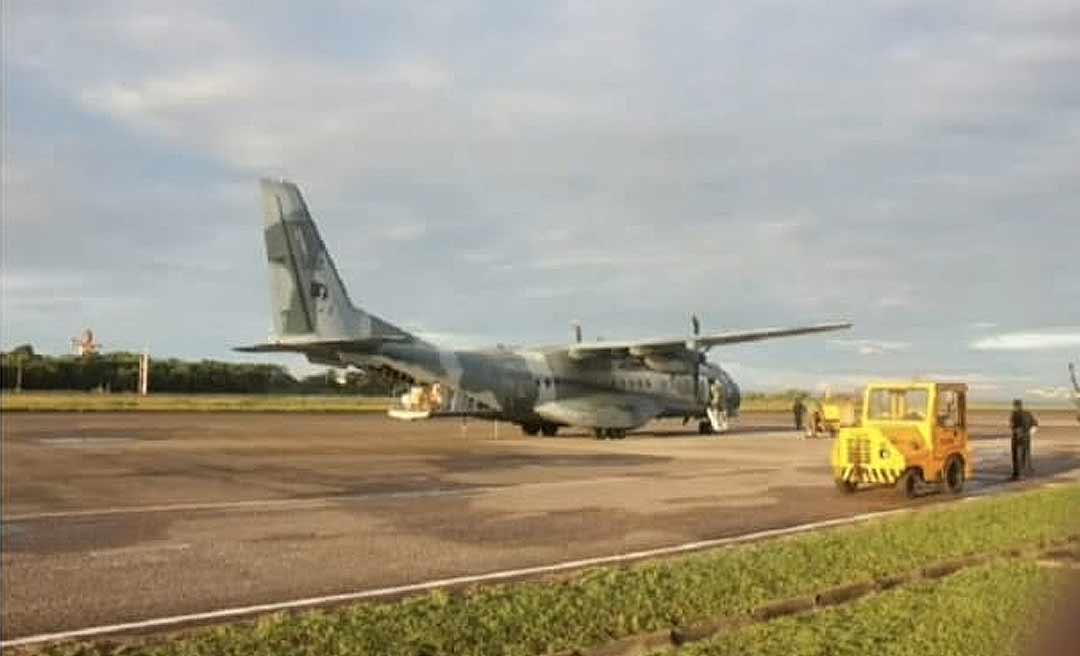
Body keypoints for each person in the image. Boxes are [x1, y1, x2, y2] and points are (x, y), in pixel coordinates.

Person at [1009, 399, 1038, 480]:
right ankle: (1027, 472)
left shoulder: (1014, 414)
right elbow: (1035, 424)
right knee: (1026, 454)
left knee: (1017, 455)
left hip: (1018, 437)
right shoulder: (1028, 413)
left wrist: (1017, 432)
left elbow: (1012, 426)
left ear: (1015, 406)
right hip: (1027, 437)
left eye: (1014, 405)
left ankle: (1018, 474)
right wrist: (1029, 433)